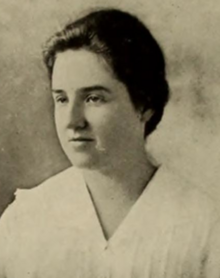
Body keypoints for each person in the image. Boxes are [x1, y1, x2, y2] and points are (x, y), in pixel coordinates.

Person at [0, 8, 220, 278]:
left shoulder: (204, 227)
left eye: (93, 98)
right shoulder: (26, 218)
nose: (72, 120)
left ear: (144, 105)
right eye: (62, 99)